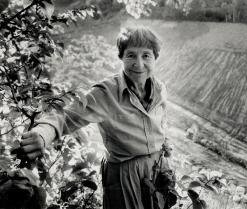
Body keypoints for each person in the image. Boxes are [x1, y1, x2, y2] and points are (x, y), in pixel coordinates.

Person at [19, 26, 172, 209]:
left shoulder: (159, 89)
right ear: (121, 57)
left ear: (155, 58)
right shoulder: (106, 92)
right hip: (125, 173)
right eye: (131, 55)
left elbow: (161, 123)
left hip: (157, 167)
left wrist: (165, 150)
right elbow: (67, 116)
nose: (139, 64)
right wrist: (42, 134)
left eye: (146, 55)